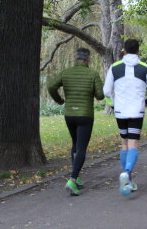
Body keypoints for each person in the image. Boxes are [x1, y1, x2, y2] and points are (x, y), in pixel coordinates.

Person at [103, 39, 147, 197]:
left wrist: (112, 105)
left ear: (124, 51)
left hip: (120, 111)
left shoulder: (114, 67)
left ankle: (127, 177)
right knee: (134, 143)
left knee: (124, 144)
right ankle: (127, 173)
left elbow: (106, 91)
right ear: (138, 51)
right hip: (137, 111)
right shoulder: (144, 67)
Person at [48, 47, 104, 196]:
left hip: (70, 115)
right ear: (88, 59)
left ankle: (76, 176)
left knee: (75, 144)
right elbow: (100, 96)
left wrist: (60, 100)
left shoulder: (66, 73)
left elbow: (51, 86)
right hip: (85, 115)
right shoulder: (93, 74)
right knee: (81, 148)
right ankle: (72, 180)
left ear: (75, 58)